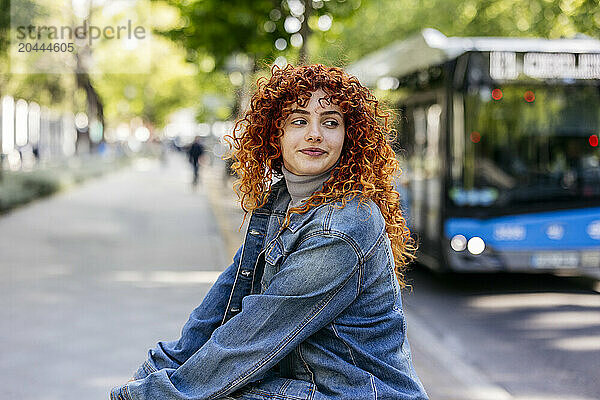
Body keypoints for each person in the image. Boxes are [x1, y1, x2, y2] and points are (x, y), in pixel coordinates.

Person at [111, 64, 428, 400]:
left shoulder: (343, 227)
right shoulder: (280, 201)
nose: (315, 134)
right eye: (299, 120)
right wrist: (156, 368)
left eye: (331, 122)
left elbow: (250, 340)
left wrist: (149, 394)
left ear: (349, 138)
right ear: (275, 132)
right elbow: (225, 301)